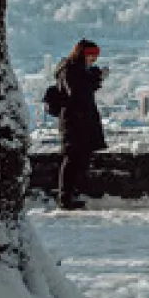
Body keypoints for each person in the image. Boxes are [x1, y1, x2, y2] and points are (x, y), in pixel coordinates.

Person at [54, 39, 107, 210]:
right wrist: (96, 77)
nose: (93, 60)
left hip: (78, 120)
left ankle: (69, 195)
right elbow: (79, 92)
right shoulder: (71, 69)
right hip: (75, 121)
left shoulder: (73, 69)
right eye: (91, 56)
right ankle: (65, 198)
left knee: (77, 159)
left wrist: (94, 77)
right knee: (72, 159)